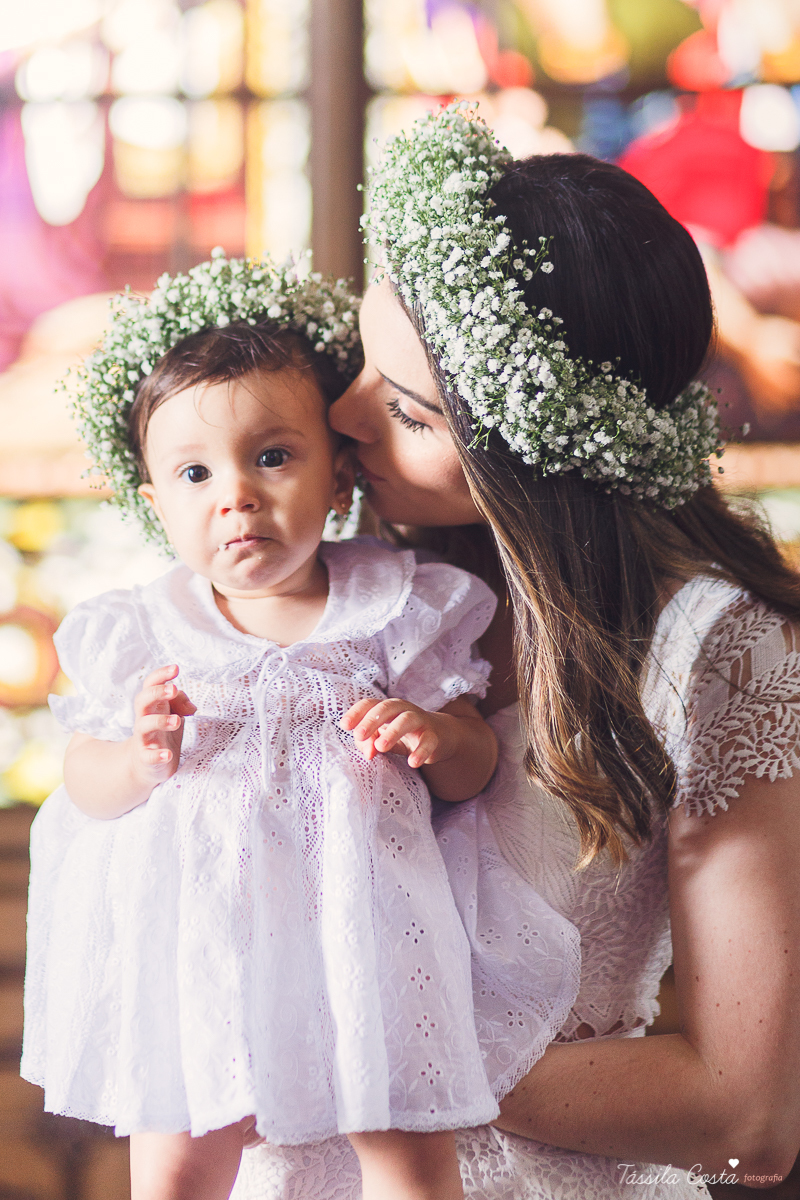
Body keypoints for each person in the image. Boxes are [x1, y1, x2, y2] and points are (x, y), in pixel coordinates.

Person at [232, 106, 800, 1199]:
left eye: (404, 409)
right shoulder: (367, 585)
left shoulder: (715, 651)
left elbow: (747, 1115)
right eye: (361, 358)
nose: (343, 413)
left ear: (524, 454)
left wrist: (390, 1072)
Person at [21, 252, 581, 1200]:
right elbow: (81, 782)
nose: (235, 493)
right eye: (195, 473)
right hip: (207, 935)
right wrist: (138, 759)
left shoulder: (400, 608)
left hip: (366, 926)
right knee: (181, 1156)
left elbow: (476, 771)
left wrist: (440, 739)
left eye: (272, 456)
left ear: (337, 478)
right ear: (157, 508)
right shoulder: (144, 629)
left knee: (403, 1141)